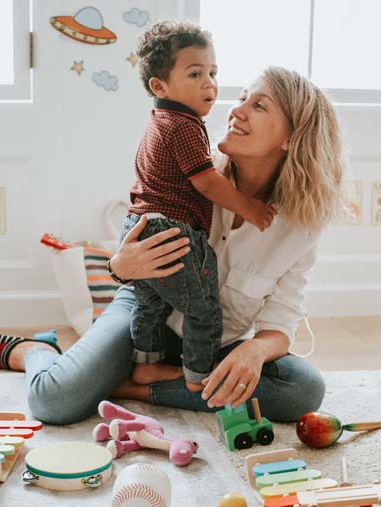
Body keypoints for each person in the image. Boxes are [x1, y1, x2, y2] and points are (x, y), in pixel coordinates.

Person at [0, 66, 343, 426]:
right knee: (54, 400)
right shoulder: (191, 169)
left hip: (215, 342)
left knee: (302, 389)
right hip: (146, 313)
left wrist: (255, 350)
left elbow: (281, 321)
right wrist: (120, 266)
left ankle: (134, 389)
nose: (236, 110)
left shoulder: (301, 224)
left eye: (259, 106)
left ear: (291, 136)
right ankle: (35, 351)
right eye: (242, 98)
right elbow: (127, 250)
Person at [123, 20, 276, 392]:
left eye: (212, 72)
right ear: (159, 86)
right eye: (195, 73)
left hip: (139, 224)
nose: (209, 83)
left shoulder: (160, 120)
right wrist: (251, 208)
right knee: (204, 307)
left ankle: (145, 365)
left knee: (150, 304)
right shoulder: (183, 125)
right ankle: (198, 377)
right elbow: (206, 181)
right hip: (170, 230)